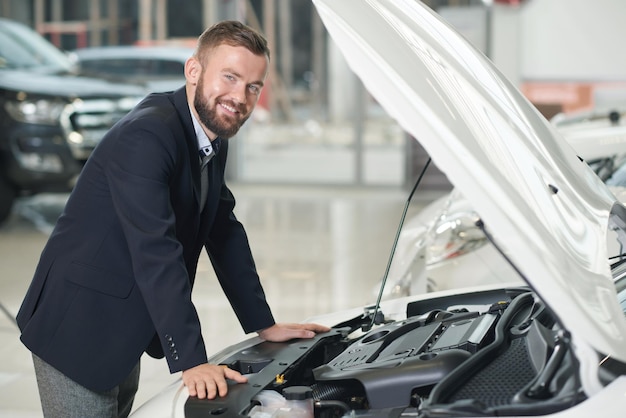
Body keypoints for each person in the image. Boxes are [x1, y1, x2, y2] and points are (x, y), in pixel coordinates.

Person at [16, 20, 330, 417]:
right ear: (193, 71)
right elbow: (155, 249)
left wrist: (263, 324)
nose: (240, 97)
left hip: (124, 318)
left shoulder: (209, 132)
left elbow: (224, 230)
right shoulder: (147, 136)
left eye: (253, 86)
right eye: (230, 77)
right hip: (78, 322)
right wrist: (192, 360)